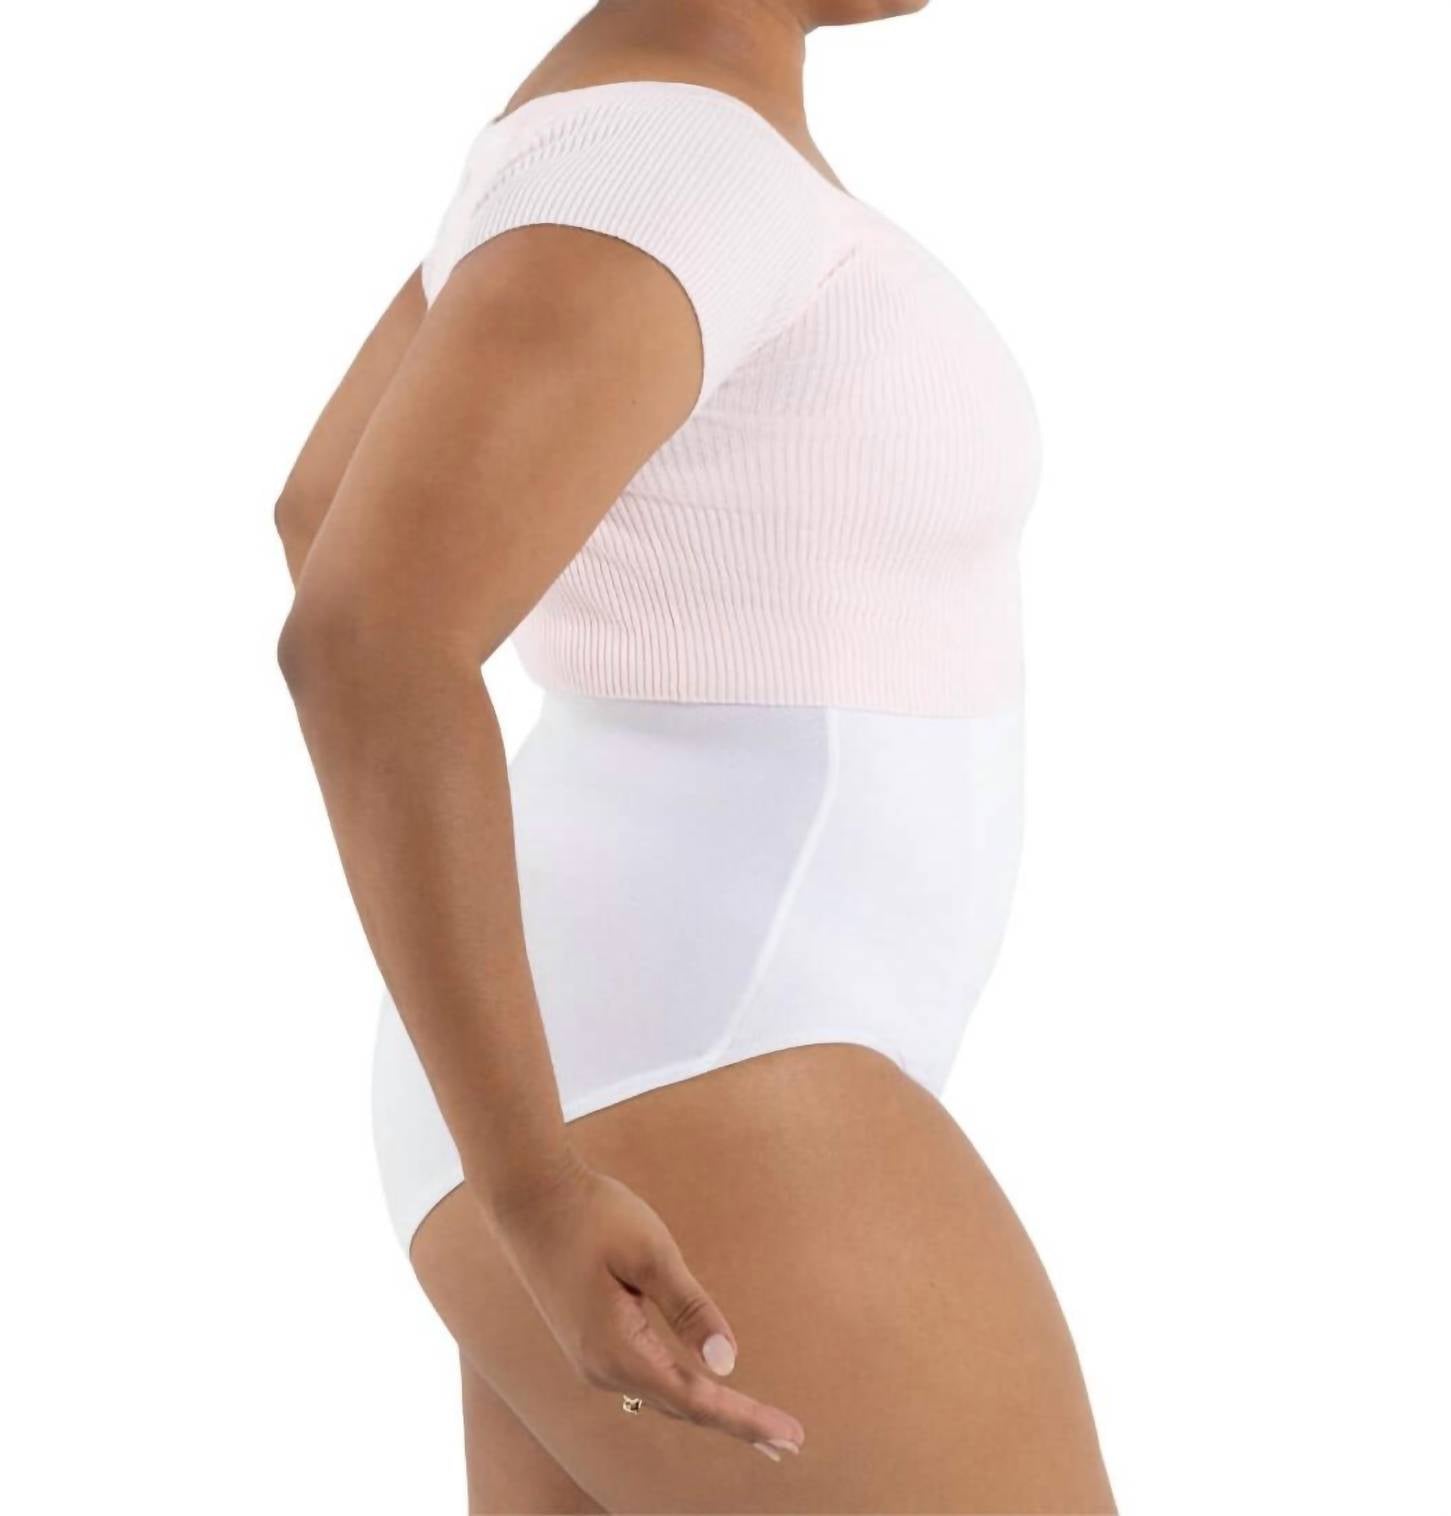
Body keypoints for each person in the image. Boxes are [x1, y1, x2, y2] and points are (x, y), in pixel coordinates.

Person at [275, 1, 1115, 1509]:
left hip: (639, 1066)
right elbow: (365, 635)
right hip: (697, 1073)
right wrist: (537, 1186)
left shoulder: (620, 137)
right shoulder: (671, 156)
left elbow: (321, 507)